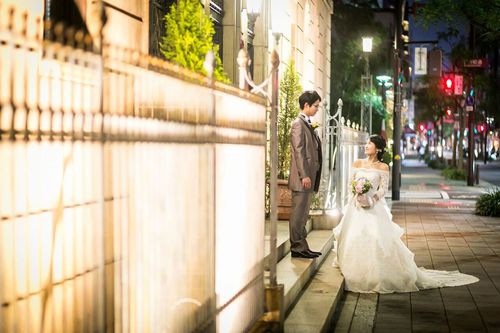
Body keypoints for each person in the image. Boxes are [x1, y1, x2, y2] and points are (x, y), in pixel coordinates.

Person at [332, 135, 479, 293]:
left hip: (373, 207)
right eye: (366, 143)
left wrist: (372, 200)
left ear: (378, 148)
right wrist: (357, 195)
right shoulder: (357, 163)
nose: (366, 145)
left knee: (376, 239)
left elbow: (383, 189)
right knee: (353, 237)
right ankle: (353, 267)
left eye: (370, 143)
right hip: (356, 208)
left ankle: (375, 273)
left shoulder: (383, 167)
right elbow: (350, 184)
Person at [288, 90, 323, 259]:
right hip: (302, 178)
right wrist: (304, 175)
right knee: (298, 214)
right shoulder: (297, 124)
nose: (317, 109)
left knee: (303, 215)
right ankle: (296, 247)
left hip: (308, 177)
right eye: (316, 106)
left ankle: (303, 245)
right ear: (306, 105)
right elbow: (299, 152)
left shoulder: (307, 123)